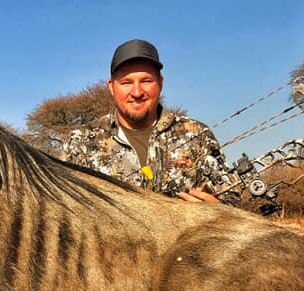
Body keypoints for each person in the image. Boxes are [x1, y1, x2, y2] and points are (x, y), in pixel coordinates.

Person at [60, 39, 237, 204]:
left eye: (146, 81)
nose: (137, 92)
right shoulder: (80, 142)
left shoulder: (196, 133)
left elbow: (232, 196)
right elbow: (62, 209)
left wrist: (218, 207)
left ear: (160, 83)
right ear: (111, 87)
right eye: (126, 82)